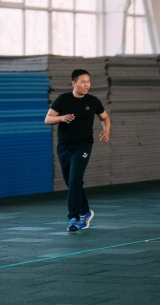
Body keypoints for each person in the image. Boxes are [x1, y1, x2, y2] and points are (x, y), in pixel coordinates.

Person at [44, 69, 111, 232]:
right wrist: (61, 118)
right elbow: (47, 119)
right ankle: (85, 210)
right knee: (71, 182)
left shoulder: (93, 101)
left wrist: (106, 130)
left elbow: (105, 117)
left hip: (83, 146)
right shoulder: (63, 99)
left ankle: (73, 218)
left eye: (88, 81)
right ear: (74, 83)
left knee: (75, 180)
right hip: (64, 146)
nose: (86, 85)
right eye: (83, 82)